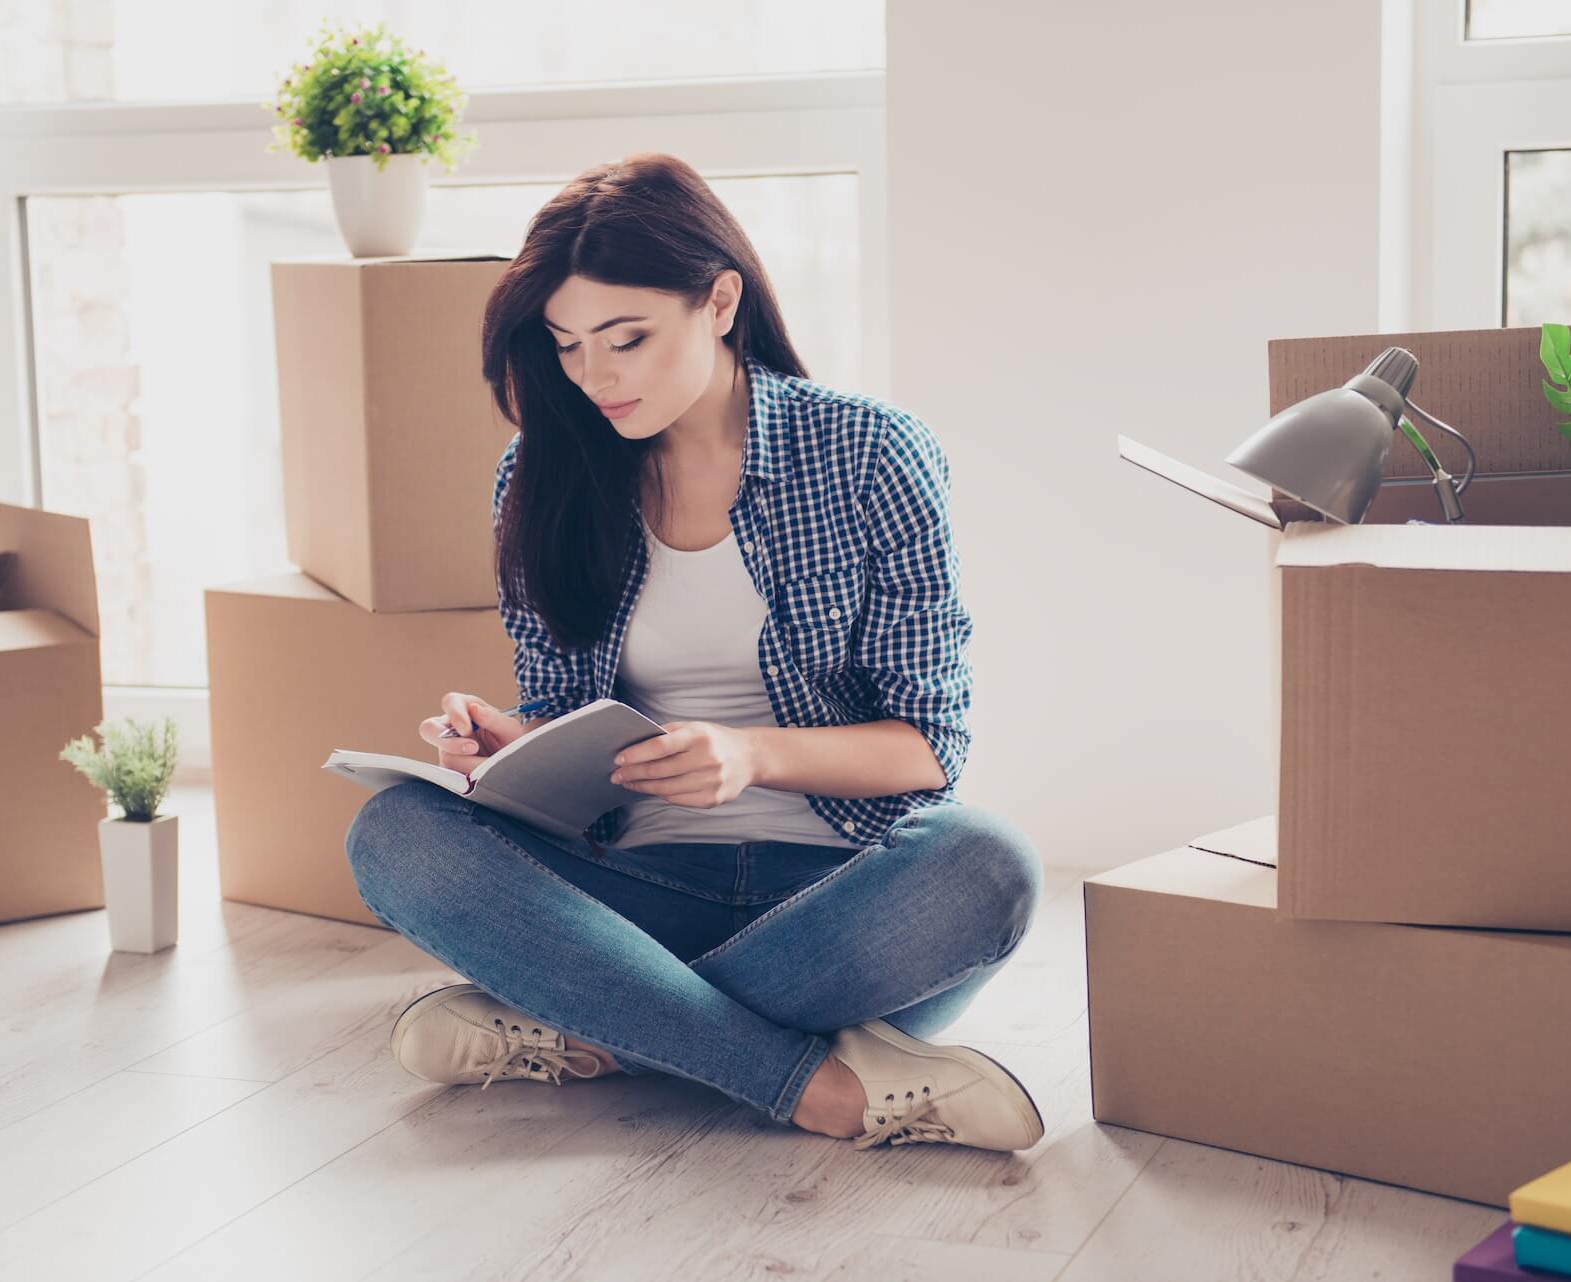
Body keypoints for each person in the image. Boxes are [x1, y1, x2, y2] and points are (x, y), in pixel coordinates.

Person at [346, 152, 1046, 1152]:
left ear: (720, 301)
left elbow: (929, 744)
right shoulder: (540, 475)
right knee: (393, 832)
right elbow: (563, 709)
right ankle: (820, 1085)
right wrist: (513, 743)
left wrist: (753, 752)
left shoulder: (871, 456)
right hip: (633, 896)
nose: (593, 376)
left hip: (836, 907)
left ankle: (604, 1025)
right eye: (567, 345)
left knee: (989, 864)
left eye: (626, 339)